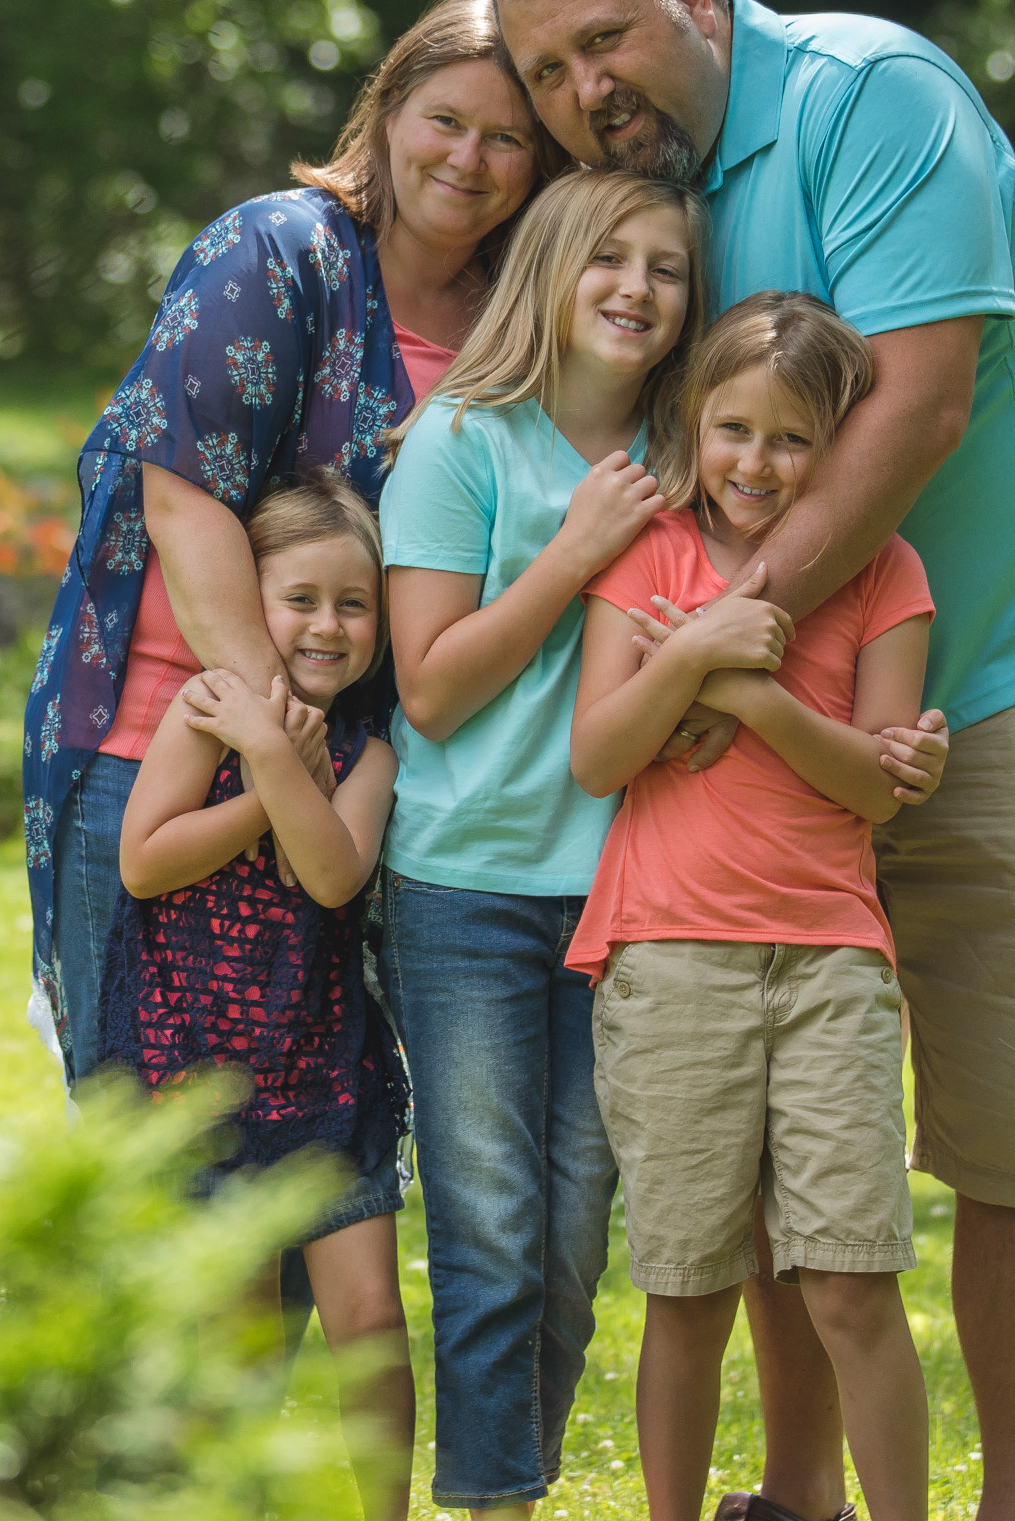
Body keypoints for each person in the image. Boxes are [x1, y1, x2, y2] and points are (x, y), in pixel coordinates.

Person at [490, 0, 1015, 1521]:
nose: (583, 91)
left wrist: (722, 635)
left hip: (986, 677)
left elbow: (917, 406)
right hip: (758, 738)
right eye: (548, 72)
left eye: (603, 41)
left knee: (1010, 1125)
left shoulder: (875, 99)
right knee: (789, 1137)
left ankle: (1009, 1506)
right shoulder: (648, 194)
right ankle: (795, 1503)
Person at [20, 0, 562, 1081]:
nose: (470, 158)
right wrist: (281, 730)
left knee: (305, 1124)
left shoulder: (516, 312)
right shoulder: (278, 249)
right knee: (156, 1137)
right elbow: (181, 492)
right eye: (446, 120)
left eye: (508, 138)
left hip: (355, 776)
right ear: (389, 110)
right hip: (168, 743)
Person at [566, 294, 947, 1521]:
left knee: (849, 1283)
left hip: (831, 959)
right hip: (670, 955)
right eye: (734, 428)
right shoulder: (653, 557)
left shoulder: (885, 568)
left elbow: (876, 786)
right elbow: (599, 754)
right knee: (687, 1289)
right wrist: (689, 654)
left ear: (838, 444)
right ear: (695, 417)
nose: (756, 463)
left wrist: (759, 693)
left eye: (793, 438)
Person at [372, 167, 701, 1513]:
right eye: (607, 259)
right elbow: (433, 688)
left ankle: (514, 1480)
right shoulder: (462, 440)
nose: (635, 288)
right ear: (552, 275)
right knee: (491, 1229)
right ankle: (495, 1504)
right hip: (466, 889)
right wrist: (572, 556)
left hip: (624, 887)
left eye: (667, 268)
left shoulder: (689, 462)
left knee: (573, 1232)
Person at [105, 471, 414, 1521]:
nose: (328, 624)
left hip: (329, 1074)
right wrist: (273, 757)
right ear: (254, 601)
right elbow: (145, 860)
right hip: (206, 1078)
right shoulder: (204, 711)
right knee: (238, 1333)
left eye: (354, 603)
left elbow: (331, 874)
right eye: (302, 598)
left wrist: (283, 759)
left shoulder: (369, 756)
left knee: (370, 1317)